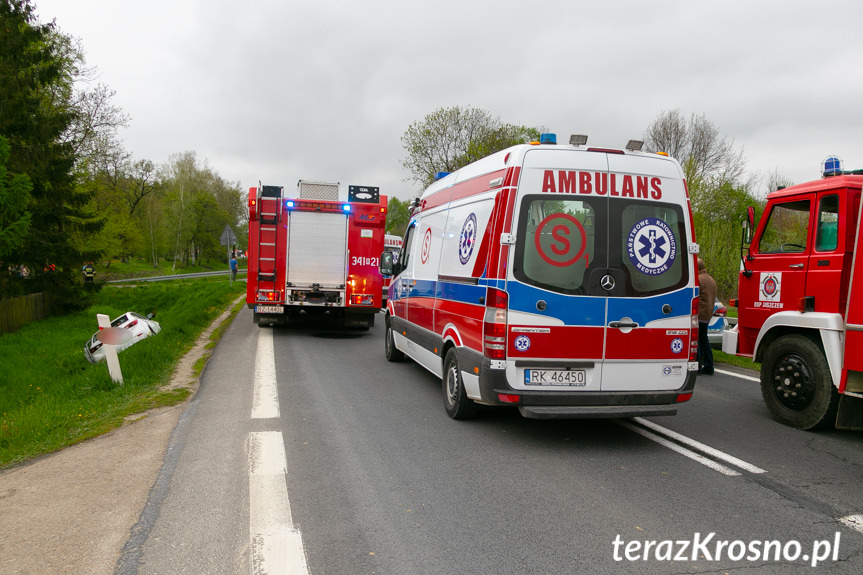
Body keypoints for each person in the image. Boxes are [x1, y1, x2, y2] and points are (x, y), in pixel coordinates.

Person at [697, 257, 717, 375]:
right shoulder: (711, 280)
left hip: (699, 313)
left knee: (698, 340)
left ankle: (698, 365)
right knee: (704, 340)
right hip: (708, 314)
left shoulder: (698, 280)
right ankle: (709, 365)